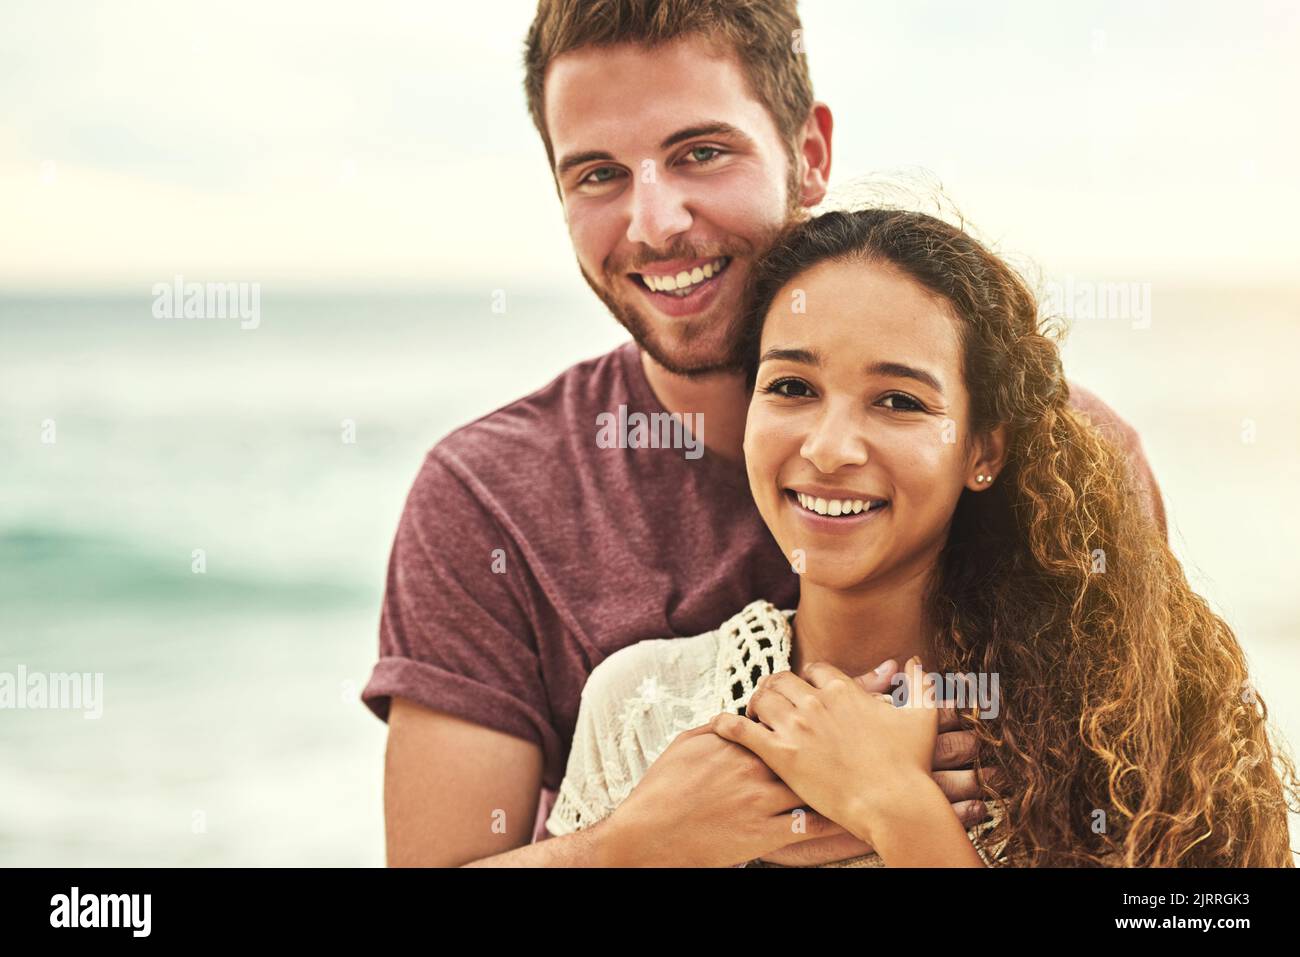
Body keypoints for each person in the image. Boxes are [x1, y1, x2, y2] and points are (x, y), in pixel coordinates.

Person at [362, 0, 1167, 867]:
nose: (655, 222)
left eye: (700, 152)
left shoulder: (1068, 458)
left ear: (809, 154)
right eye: (598, 174)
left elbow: (1180, 858)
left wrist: (901, 813)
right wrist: (632, 844)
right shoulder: (490, 499)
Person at [544, 207, 1300, 867]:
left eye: (899, 400)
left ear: (983, 451)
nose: (829, 446)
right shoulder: (641, 705)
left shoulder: (1104, 733)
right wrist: (630, 845)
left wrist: (898, 809)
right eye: (793, 387)